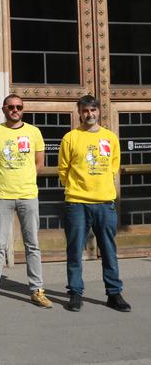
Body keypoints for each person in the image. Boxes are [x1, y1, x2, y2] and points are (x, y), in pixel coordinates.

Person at [59, 95, 130, 313]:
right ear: (79, 113)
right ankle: (75, 293)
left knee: (108, 249)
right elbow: (63, 169)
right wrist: (78, 186)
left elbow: (114, 165)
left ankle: (114, 293)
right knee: (74, 250)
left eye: (93, 110)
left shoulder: (110, 137)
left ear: (99, 112)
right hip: (77, 203)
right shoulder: (70, 138)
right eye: (85, 111)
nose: (89, 114)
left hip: (104, 203)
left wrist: (101, 184)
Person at [0, 94, 52, 308]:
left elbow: (39, 163)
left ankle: (37, 290)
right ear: (4, 109)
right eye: (11, 106)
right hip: (2, 195)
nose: (15, 109)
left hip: (28, 195)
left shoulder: (33, 132)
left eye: (18, 106)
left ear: (23, 109)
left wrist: (26, 179)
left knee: (32, 244)